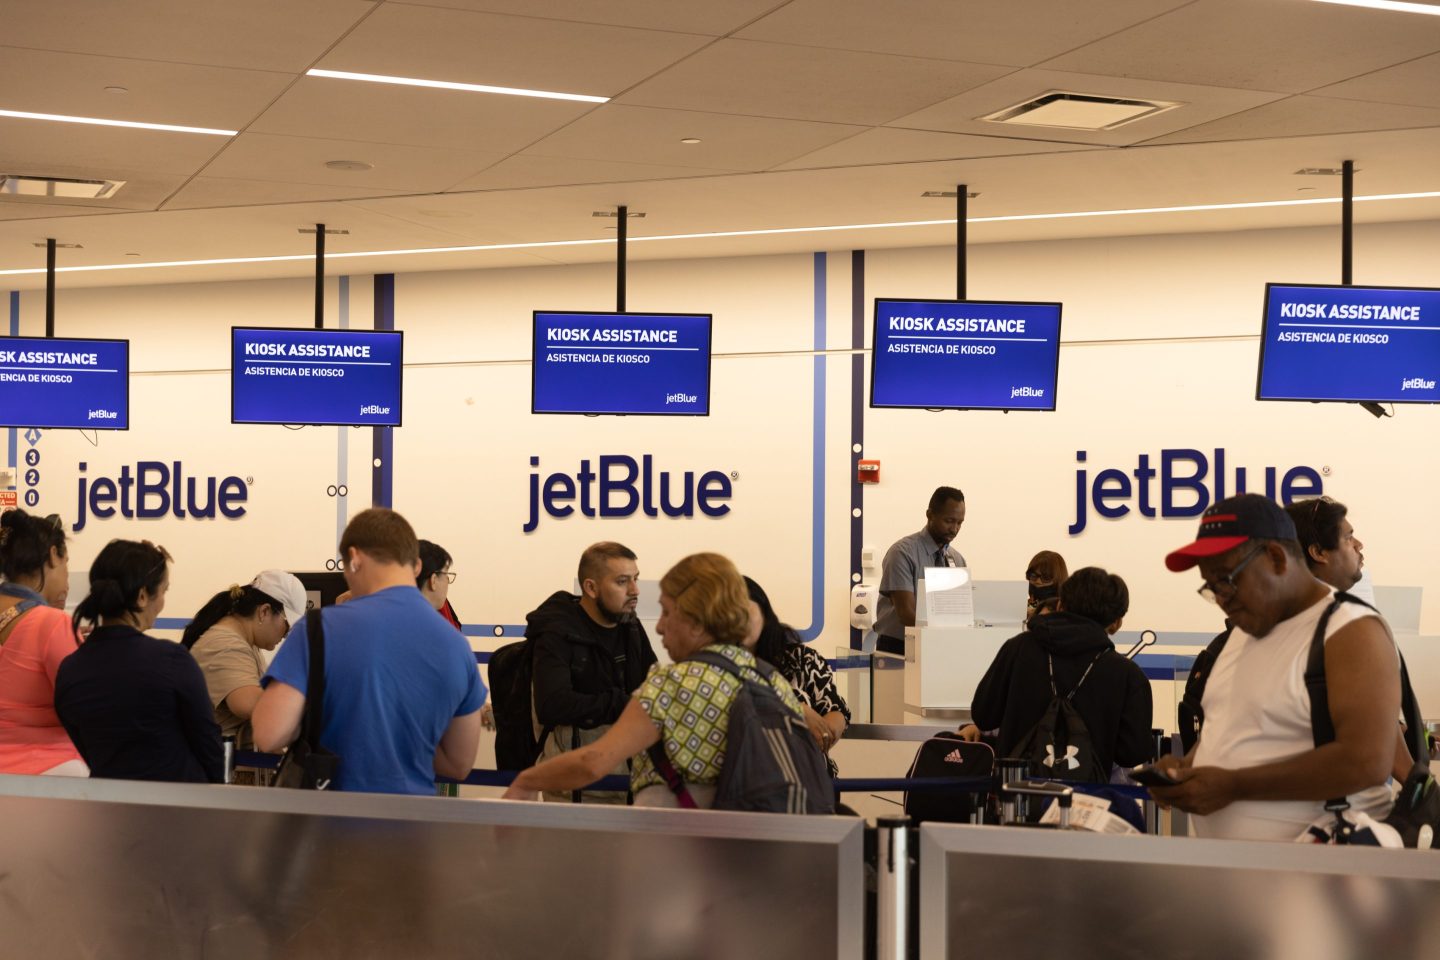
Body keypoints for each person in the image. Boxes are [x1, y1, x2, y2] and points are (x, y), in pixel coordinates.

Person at [1151, 494, 1400, 841]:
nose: (1222, 598)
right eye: (1211, 587)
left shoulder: (1350, 630)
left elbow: (1366, 762)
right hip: (1234, 877)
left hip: (1321, 878)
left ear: (1276, 558)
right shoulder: (1243, 634)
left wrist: (1235, 786)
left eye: (1227, 580)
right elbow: (1230, 732)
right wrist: (1185, 769)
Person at [503, 552, 806, 808]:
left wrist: (527, 778)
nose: (659, 627)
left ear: (698, 624)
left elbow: (593, 762)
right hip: (748, 852)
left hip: (679, 851)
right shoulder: (769, 678)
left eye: (667, 612)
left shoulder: (672, 685)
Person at [252, 508, 485, 795]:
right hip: (414, 823)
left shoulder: (317, 630)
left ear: (355, 559)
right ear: (415, 566)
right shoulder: (456, 645)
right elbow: (459, 763)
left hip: (329, 822)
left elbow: (269, 733)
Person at [55, 539, 223, 783]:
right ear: (143, 596)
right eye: (164, 591)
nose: (163, 601)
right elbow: (207, 740)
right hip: (179, 807)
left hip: (108, 808)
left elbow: (85, 748)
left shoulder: (70, 670)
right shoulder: (171, 660)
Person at [964, 567, 1153, 778]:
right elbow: (1132, 752)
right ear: (1116, 623)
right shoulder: (1127, 674)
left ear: (1061, 604)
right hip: (1089, 800)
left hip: (1016, 796)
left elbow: (984, 716)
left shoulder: (1017, 648)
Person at [1284, 496, 1411, 782]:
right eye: (1349, 537)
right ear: (1318, 552)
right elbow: (1392, 753)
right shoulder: (1348, 631)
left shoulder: (1270, 629)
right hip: (1334, 814)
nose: (1359, 545)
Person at [526, 542, 656, 803]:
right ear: (591, 588)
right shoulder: (556, 632)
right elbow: (553, 704)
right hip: (573, 790)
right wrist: (623, 702)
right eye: (622, 582)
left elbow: (652, 689)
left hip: (630, 784)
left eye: (635, 579)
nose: (635, 590)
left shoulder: (630, 626)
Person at [0, 509, 86, 776]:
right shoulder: (51, 624)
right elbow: (85, 707)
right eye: (66, 563)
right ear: (52, 555)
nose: (68, 579)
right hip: (49, 774)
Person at [182, 570, 307, 750]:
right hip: (214, 765)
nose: (287, 634)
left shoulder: (243, 641)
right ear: (264, 611)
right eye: (287, 625)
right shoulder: (224, 643)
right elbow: (248, 704)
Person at [746, 576, 849, 769]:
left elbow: (836, 709)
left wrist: (823, 735)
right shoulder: (716, 665)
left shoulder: (801, 658)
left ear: (764, 614)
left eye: (746, 612)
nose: (738, 622)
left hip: (811, 777)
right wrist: (797, 710)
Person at [874, 485, 967, 655]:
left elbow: (960, 613)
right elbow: (907, 614)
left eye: (959, 523)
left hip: (939, 646)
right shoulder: (902, 553)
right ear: (930, 515)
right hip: (898, 648)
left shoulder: (958, 560)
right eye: (949, 521)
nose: (954, 529)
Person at [1024, 550, 1068, 627]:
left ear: (1058, 579)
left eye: (1046, 577)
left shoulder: (1068, 610)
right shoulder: (1023, 608)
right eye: (1033, 576)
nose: (1038, 581)